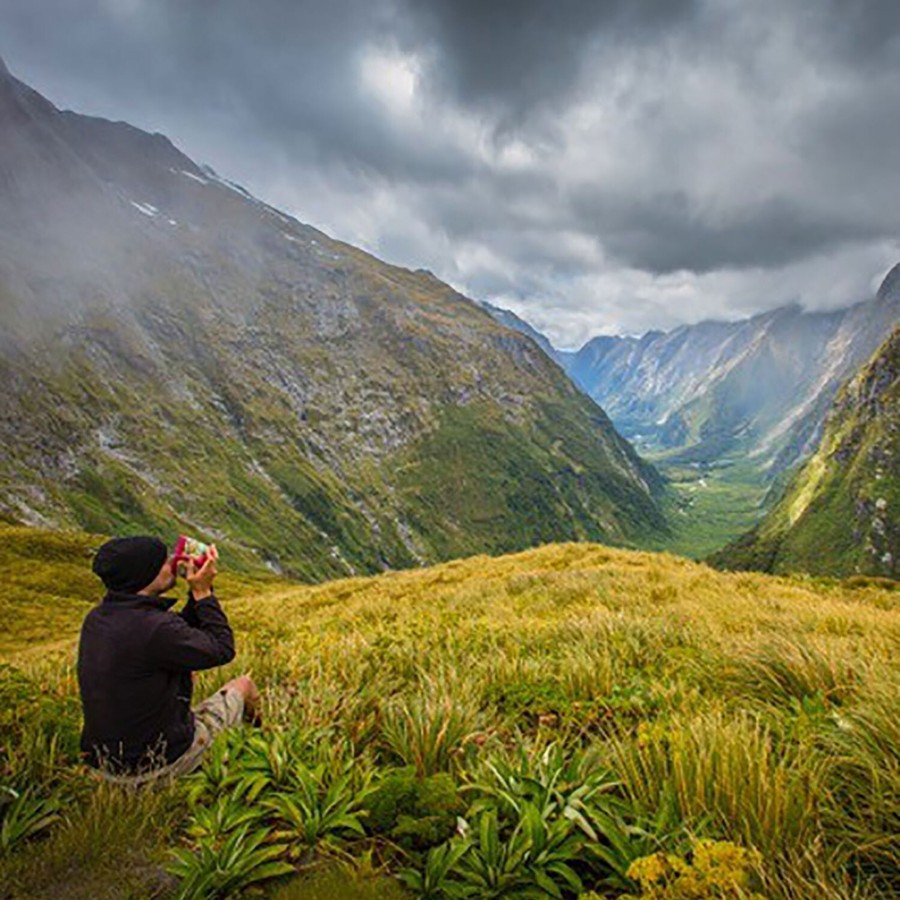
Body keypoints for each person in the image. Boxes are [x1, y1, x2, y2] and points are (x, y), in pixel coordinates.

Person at [77, 535, 259, 784]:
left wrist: (196, 594)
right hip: (156, 764)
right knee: (244, 686)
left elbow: (177, 634)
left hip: (104, 764)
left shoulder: (97, 618)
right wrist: (203, 593)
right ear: (145, 574)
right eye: (164, 561)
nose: (174, 562)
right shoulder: (156, 628)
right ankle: (261, 749)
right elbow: (222, 649)